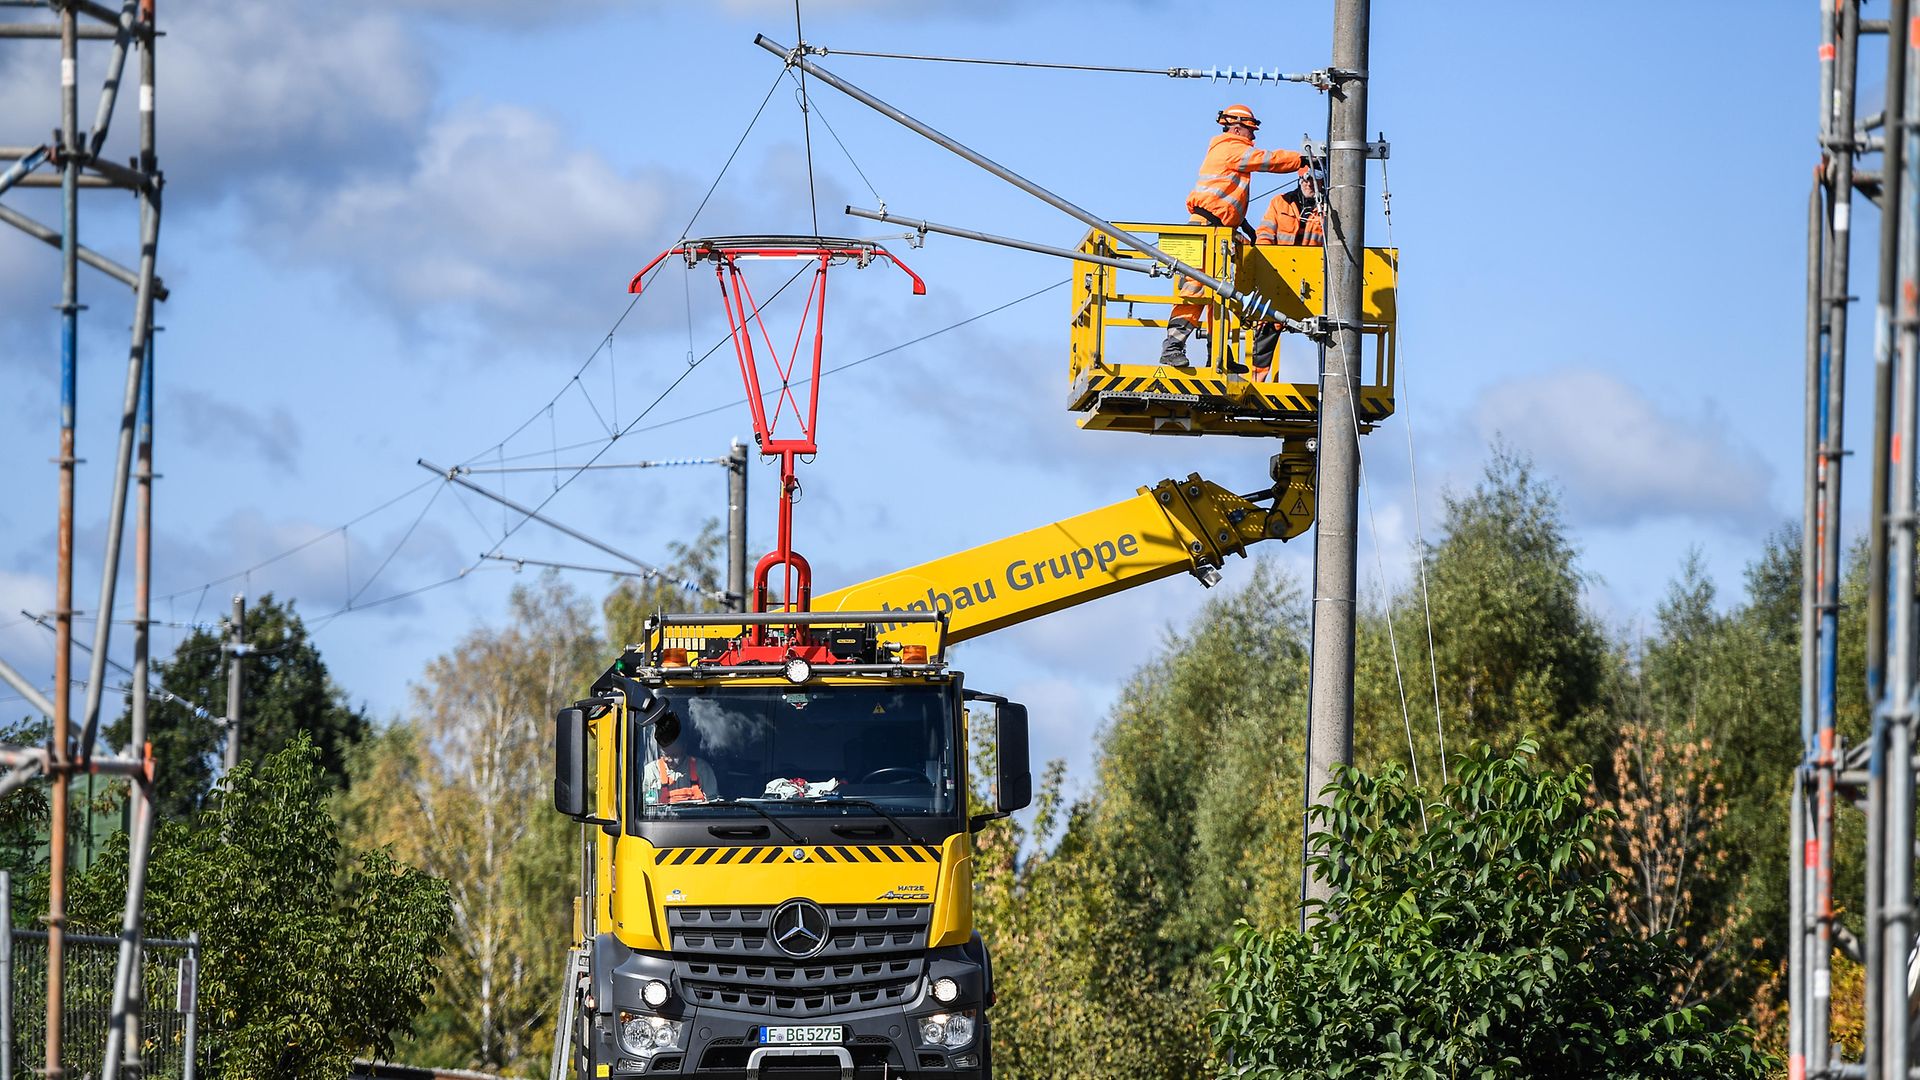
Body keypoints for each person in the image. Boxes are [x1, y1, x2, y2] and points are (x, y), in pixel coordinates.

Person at [1162, 104, 1311, 364]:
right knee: (1195, 290)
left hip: (1219, 232)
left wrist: (1243, 225)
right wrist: (1301, 160)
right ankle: (1173, 347)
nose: (1253, 137)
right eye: (1251, 131)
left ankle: (1218, 353)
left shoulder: (1229, 150)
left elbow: (1226, 197)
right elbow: (1268, 160)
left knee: (1218, 293)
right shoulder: (1230, 147)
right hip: (1206, 231)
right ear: (1237, 127)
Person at [1247, 169, 1326, 376]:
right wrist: (1266, 265)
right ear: (1300, 179)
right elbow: (1264, 235)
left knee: (1327, 330)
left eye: (1315, 180)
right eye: (1306, 179)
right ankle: (1256, 380)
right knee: (1266, 328)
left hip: (1312, 283)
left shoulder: (1329, 211)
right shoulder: (1280, 202)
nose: (1309, 184)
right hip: (1278, 277)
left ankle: (1330, 385)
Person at [644, 715, 719, 805]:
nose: (670, 760)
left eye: (675, 755)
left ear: (684, 747)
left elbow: (713, 806)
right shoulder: (650, 772)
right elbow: (644, 807)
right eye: (665, 755)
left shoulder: (702, 769)